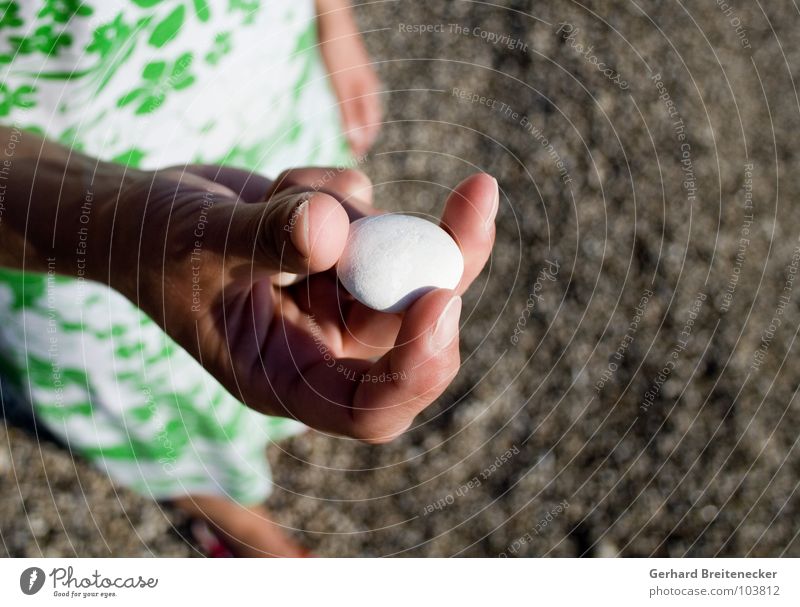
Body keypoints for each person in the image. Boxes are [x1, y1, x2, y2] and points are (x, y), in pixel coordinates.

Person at [0, 0, 497, 557]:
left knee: (300, 319)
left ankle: (258, 449)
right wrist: (121, 232)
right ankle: (229, 514)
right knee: (156, 409)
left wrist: (332, 18)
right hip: (58, 222)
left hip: (266, 107)